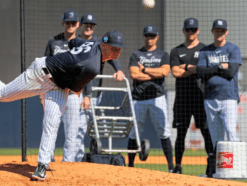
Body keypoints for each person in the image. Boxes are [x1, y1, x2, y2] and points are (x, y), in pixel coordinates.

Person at [0, 30, 126, 181]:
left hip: (58, 86)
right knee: (3, 94)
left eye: (119, 48)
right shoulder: (92, 66)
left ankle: (42, 165)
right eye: (113, 48)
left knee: (52, 122)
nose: (116, 51)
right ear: (104, 44)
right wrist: (70, 65)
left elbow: (74, 42)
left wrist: (70, 60)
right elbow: (75, 89)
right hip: (41, 74)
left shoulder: (94, 44)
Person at [74, 13, 125, 161]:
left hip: (95, 94)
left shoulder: (99, 44)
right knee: (78, 129)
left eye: (91, 25)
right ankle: (76, 161)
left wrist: (119, 70)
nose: (88, 27)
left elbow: (112, 57)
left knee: (95, 129)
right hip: (76, 93)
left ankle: (93, 160)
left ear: (94, 27)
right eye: (86, 24)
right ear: (81, 26)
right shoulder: (75, 42)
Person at [196, 19, 241, 177]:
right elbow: (200, 73)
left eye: (222, 30)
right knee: (216, 137)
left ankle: (237, 168)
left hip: (228, 97)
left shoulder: (233, 49)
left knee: (230, 132)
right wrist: (221, 66)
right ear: (212, 31)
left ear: (226, 32)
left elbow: (231, 73)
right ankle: (221, 170)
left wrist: (211, 70)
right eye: (217, 30)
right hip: (209, 98)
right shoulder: (205, 51)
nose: (219, 33)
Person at [170, 18, 214, 176]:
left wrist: (187, 68)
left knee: (206, 132)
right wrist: (195, 69)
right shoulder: (176, 51)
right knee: (181, 133)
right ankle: (178, 166)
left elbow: (205, 71)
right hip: (182, 99)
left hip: (201, 97)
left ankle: (211, 164)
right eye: (188, 30)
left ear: (198, 31)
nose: (191, 33)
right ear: (183, 31)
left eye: (193, 30)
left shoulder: (205, 50)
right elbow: (175, 73)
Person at [127, 25, 174, 172]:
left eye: (152, 36)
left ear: (157, 37)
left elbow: (165, 72)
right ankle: (130, 166)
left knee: (164, 131)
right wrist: (155, 74)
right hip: (138, 98)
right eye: (147, 35)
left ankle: (171, 167)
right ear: (144, 36)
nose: (150, 38)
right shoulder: (136, 55)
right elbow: (134, 74)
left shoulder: (163, 54)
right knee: (134, 132)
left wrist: (145, 70)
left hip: (157, 98)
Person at [43, 9, 83, 162]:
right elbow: (44, 66)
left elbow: (88, 70)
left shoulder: (82, 44)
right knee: (49, 127)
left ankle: (68, 163)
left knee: (72, 131)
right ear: (63, 24)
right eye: (68, 23)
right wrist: (42, 92)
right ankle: (47, 160)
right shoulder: (54, 42)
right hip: (54, 91)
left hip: (73, 94)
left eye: (73, 23)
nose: (70, 26)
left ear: (77, 24)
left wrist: (87, 95)